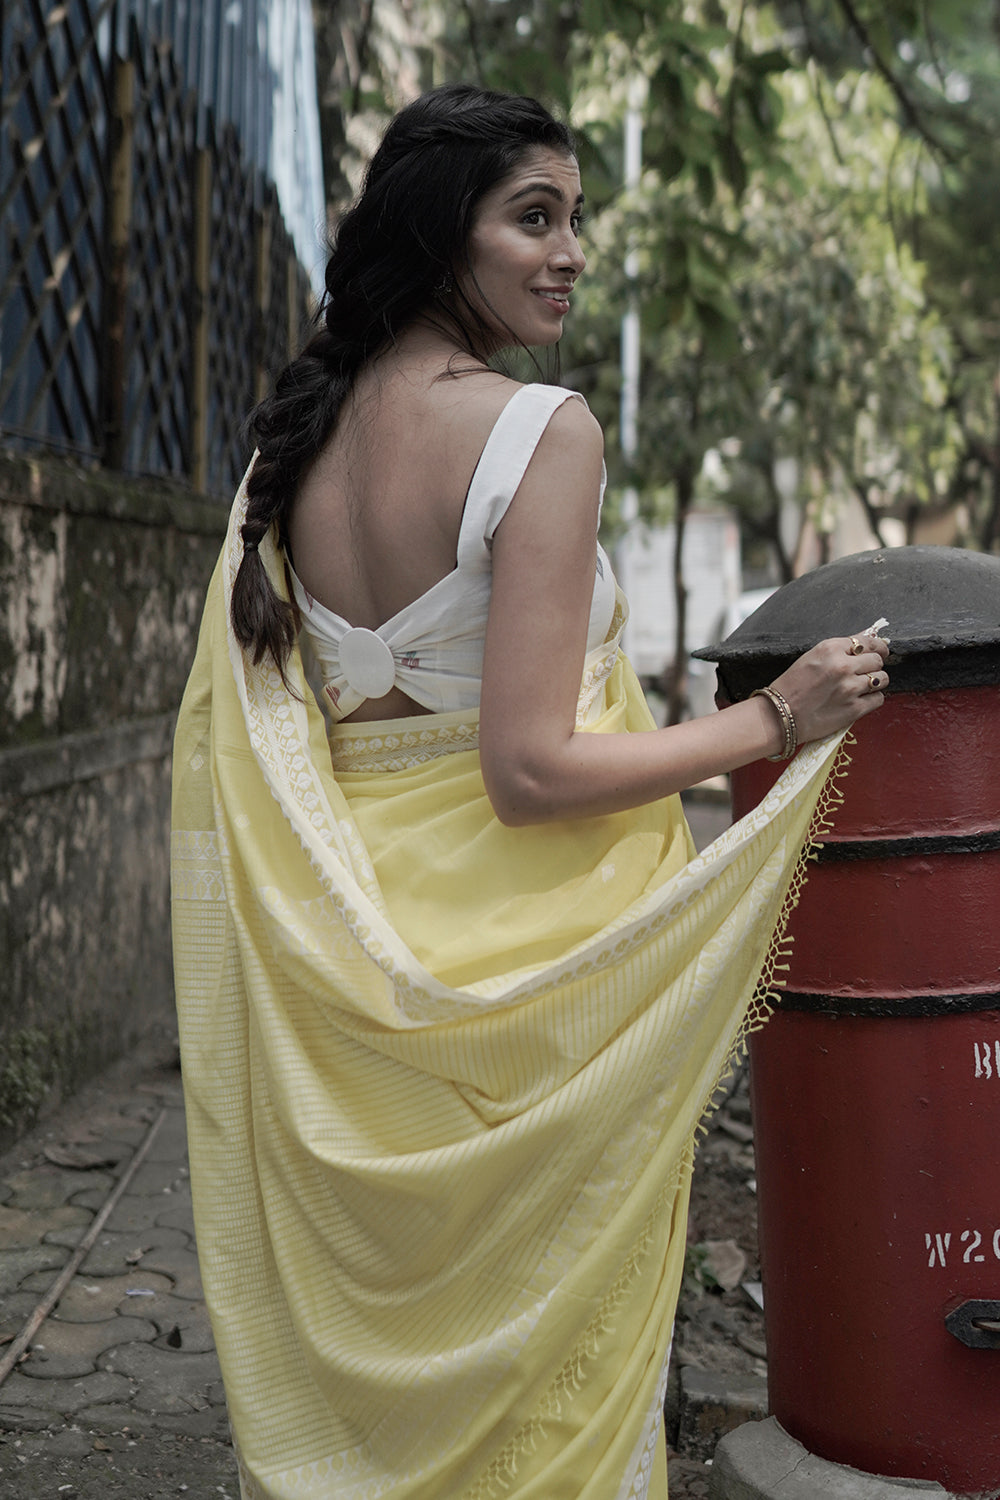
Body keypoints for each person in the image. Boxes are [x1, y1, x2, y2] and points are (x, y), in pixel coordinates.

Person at [171, 83, 889, 1500]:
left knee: (389, 1360)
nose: (568, 254)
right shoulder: (537, 431)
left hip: (353, 966)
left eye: (576, 221)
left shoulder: (292, 450)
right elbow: (527, 770)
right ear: (446, 236)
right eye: (533, 218)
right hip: (525, 970)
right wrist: (769, 719)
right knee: (541, 1370)